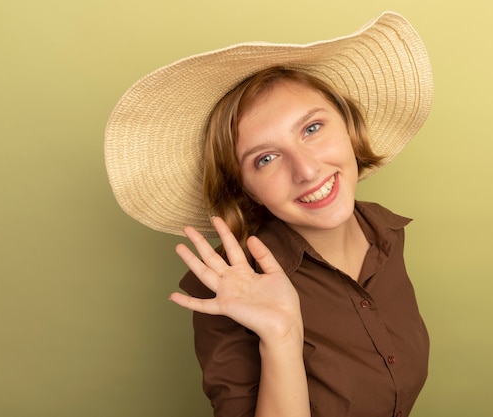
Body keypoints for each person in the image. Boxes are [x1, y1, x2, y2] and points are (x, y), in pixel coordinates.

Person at [105, 11, 433, 417]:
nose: (307, 170)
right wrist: (281, 334)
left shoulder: (386, 234)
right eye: (266, 158)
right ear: (243, 188)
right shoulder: (230, 289)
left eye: (312, 128)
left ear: (348, 125)